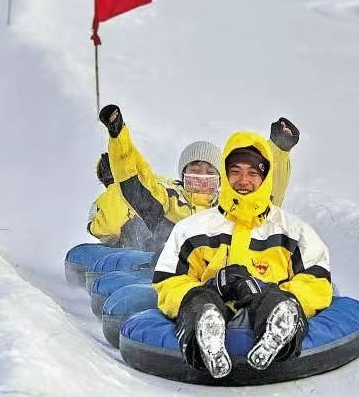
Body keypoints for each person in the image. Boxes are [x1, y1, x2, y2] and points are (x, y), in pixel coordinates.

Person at [152, 131, 332, 378]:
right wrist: (210, 288)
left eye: (253, 173)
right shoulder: (191, 229)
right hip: (210, 299)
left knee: (274, 300)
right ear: (225, 177)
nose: (243, 181)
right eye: (235, 172)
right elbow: (169, 281)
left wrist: (273, 292)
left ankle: (279, 327)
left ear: (264, 178)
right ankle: (207, 330)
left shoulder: (292, 230)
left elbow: (316, 279)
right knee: (200, 301)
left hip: (269, 300)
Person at [98, 104, 299, 251]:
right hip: (175, 275)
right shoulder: (168, 201)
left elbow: (264, 193)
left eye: (210, 171)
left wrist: (279, 149)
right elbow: (136, 181)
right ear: (183, 174)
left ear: (221, 179)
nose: (202, 176)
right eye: (195, 168)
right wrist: (118, 136)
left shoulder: (232, 205)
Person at [87, 152, 153, 250]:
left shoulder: (105, 200)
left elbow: (110, 229)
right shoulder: (149, 186)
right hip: (154, 243)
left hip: (144, 247)